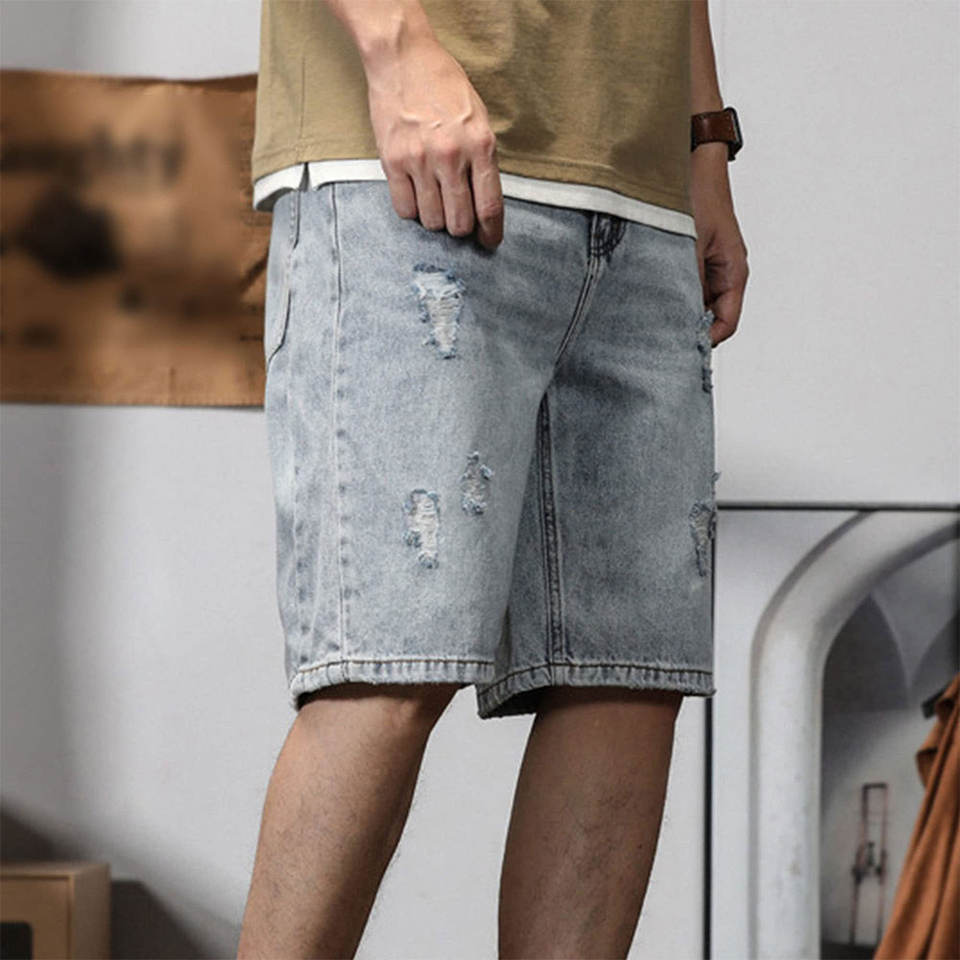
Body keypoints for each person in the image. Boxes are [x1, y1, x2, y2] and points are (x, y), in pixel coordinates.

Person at [238, 0, 748, 956]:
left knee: (625, 679)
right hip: (412, 155)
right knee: (389, 670)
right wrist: (397, 47)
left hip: (644, 190)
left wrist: (703, 144)